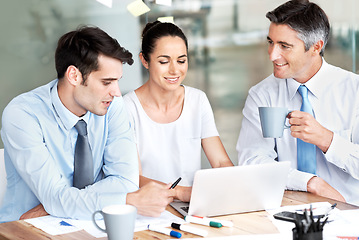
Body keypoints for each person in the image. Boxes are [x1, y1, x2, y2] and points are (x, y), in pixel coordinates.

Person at [0, 26, 176, 223]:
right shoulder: (23, 115)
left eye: (117, 81)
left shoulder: (112, 106)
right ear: (74, 76)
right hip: (26, 228)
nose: (117, 92)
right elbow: (57, 198)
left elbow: (126, 182)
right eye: (106, 82)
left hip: (88, 224)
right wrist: (127, 201)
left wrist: (56, 204)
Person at [237, 0, 359, 205]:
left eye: (284, 46)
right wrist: (310, 182)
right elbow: (252, 162)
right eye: (270, 42)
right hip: (286, 211)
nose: (272, 55)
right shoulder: (262, 94)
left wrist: (328, 140)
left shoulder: (354, 91)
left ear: (316, 47)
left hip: (349, 213)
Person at [123, 21, 233, 202]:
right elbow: (133, 178)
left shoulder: (197, 100)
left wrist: (234, 183)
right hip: (149, 207)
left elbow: (221, 162)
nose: (175, 70)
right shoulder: (128, 108)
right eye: (164, 61)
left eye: (181, 61)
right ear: (144, 60)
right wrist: (179, 192)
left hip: (191, 205)